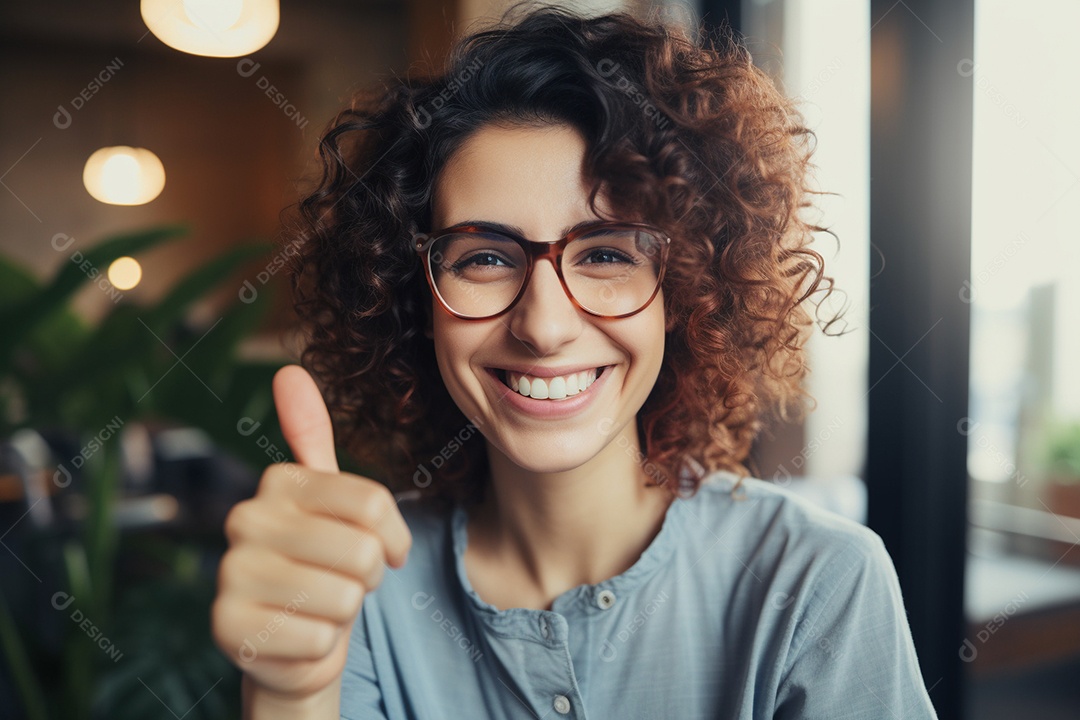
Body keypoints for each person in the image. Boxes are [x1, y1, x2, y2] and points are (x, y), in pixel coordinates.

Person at [211, 4, 939, 718]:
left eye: (605, 254)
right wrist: (289, 694)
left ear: (685, 293)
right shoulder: (352, 584)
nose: (545, 325)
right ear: (414, 301)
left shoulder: (816, 583)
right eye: (486, 257)